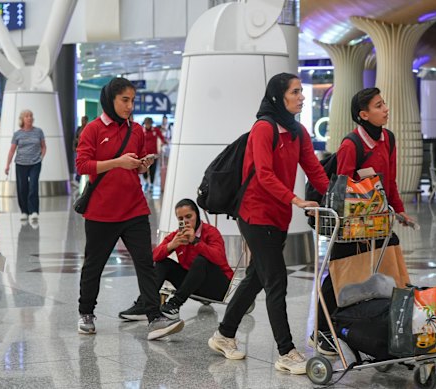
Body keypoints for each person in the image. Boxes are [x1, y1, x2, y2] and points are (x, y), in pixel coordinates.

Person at [207, 73, 329, 374]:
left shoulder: (298, 132)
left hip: (278, 216)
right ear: (278, 96)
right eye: (295, 92)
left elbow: (314, 169)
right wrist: (296, 199)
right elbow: (264, 174)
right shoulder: (263, 129)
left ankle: (224, 333)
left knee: (256, 278)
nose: (301, 97)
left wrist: (342, 196)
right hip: (255, 213)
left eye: (301, 92)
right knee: (276, 280)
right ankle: (286, 352)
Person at [75, 77, 184, 340]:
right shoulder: (93, 130)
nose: (130, 105)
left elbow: (134, 163)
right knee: (94, 265)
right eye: (125, 100)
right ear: (110, 100)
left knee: (146, 263)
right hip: (101, 212)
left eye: (133, 100)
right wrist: (117, 163)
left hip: (134, 208)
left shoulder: (136, 130)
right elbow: (82, 166)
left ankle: (153, 316)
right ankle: (86, 312)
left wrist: (141, 165)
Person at [313, 87, 413, 356]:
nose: (386, 109)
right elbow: (343, 189)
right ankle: (321, 331)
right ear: (363, 114)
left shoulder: (388, 139)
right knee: (340, 275)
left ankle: (393, 326)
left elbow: (389, 181)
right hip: (352, 225)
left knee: (391, 265)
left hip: (379, 221)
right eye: (379, 106)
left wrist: (400, 210)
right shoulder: (351, 145)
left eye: (384, 103)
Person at [119, 198, 233, 321]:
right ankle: (144, 304)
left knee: (201, 260)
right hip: (192, 286)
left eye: (189, 216)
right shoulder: (177, 235)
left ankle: (174, 304)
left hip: (217, 286)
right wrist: (171, 246)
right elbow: (153, 257)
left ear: (197, 215)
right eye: (181, 219)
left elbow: (219, 258)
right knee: (163, 263)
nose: (185, 221)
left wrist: (195, 241)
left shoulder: (211, 232)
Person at [4, 110, 46, 223]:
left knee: (33, 186)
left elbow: (43, 146)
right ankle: (24, 211)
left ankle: (34, 211)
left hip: (35, 163)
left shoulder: (38, 132)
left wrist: (41, 157)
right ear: (22, 119)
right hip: (21, 164)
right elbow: (12, 150)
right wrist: (7, 165)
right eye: (27, 116)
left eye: (31, 116)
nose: (29, 118)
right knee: (22, 187)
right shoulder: (17, 134)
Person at [141, 117, 167, 191]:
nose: (147, 125)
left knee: (153, 170)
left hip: (154, 155)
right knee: (144, 169)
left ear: (151, 124)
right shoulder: (142, 130)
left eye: (149, 124)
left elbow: (162, 137)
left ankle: (151, 184)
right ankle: (146, 182)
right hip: (144, 155)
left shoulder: (155, 130)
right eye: (146, 124)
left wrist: (164, 142)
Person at [73, 115, 89, 183]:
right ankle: (77, 179)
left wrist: (80, 140)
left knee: (81, 164)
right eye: (81, 120)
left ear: (86, 121)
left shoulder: (88, 128)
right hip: (78, 148)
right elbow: (75, 138)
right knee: (78, 163)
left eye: (83, 120)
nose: (82, 121)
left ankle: (77, 179)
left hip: (85, 149)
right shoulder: (79, 128)